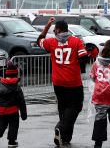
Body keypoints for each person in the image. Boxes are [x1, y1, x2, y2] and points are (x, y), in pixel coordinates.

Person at [37, 17, 89, 146]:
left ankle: (65, 137)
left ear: (58, 30)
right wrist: (81, 69)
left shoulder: (51, 42)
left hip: (58, 82)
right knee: (76, 107)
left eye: (55, 29)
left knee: (63, 107)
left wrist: (47, 25)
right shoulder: (76, 41)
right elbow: (83, 58)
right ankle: (60, 127)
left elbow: (39, 40)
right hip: (73, 81)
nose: (54, 31)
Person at [0, 61, 27, 147]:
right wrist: (23, 114)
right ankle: (11, 141)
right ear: (15, 75)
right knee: (14, 125)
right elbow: (21, 101)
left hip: (2, 110)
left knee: (1, 123)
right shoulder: (16, 87)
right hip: (13, 110)